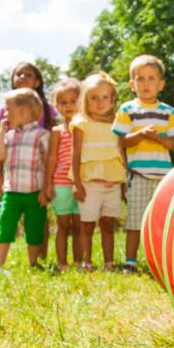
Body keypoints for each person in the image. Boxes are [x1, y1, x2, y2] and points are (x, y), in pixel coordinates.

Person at [113, 54, 174, 273]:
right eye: (140, 79)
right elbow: (121, 141)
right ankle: (130, 261)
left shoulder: (168, 112)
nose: (146, 84)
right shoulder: (128, 110)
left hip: (164, 177)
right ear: (132, 84)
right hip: (138, 174)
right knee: (134, 221)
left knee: (162, 223)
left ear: (161, 84)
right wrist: (141, 134)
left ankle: (163, 261)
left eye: (151, 78)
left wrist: (160, 139)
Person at [71, 72, 126, 271]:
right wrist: (77, 183)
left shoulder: (118, 123)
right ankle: (87, 262)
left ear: (113, 100)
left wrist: (125, 181)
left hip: (112, 184)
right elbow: (75, 155)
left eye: (105, 97)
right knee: (86, 225)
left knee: (107, 225)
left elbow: (121, 152)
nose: (100, 102)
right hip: (89, 184)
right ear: (85, 100)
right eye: (94, 97)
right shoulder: (81, 123)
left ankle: (109, 263)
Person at [0, 88, 50, 269]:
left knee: (34, 229)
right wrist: (1, 133)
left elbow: (48, 163)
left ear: (23, 109)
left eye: (8, 109)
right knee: (5, 227)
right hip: (12, 192)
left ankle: (33, 263)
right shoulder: (9, 136)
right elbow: (0, 156)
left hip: (34, 192)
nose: (5, 113)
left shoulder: (42, 135)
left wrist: (45, 190)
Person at [43, 77, 83, 270]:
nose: (69, 106)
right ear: (56, 105)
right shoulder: (57, 131)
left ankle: (79, 262)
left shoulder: (84, 128)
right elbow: (52, 158)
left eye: (73, 101)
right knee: (63, 225)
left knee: (78, 225)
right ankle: (62, 263)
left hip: (81, 183)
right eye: (63, 102)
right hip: (61, 184)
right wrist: (49, 183)